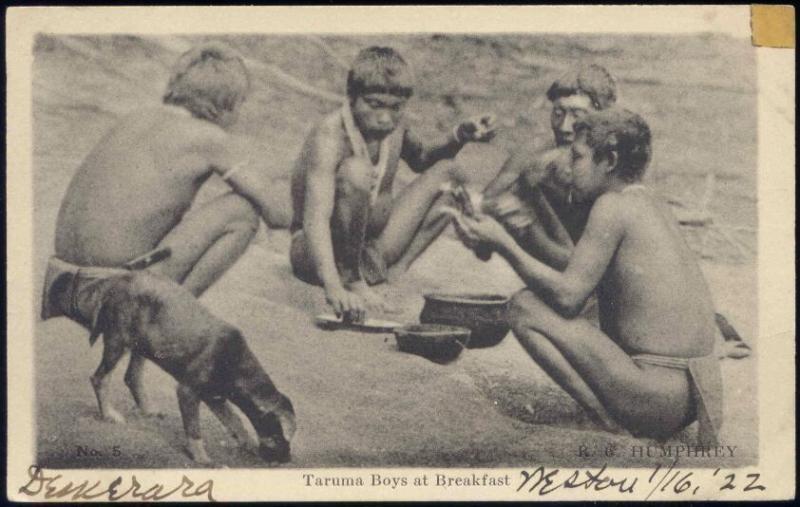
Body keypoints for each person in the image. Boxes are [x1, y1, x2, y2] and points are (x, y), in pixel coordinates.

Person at [41, 43, 289, 414]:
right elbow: (279, 215)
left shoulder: (137, 118)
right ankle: (163, 318)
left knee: (179, 217)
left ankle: (139, 349)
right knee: (241, 212)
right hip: (113, 290)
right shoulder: (211, 139)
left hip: (61, 280)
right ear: (229, 105)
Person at [451, 109, 722, 444]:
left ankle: (608, 425)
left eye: (577, 157)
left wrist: (504, 243)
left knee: (524, 306)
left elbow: (567, 296)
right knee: (574, 307)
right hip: (695, 396)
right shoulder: (648, 201)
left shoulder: (612, 206)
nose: (569, 166)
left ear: (608, 160)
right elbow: (575, 272)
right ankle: (619, 418)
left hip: (657, 398)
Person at [290, 46, 496, 321]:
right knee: (356, 171)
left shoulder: (394, 127)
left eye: (395, 107)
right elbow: (315, 219)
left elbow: (422, 159)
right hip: (316, 255)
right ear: (352, 98)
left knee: (450, 172)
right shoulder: (330, 136)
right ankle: (352, 280)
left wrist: (459, 135)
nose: (385, 117)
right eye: (374, 104)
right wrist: (334, 286)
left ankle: (392, 275)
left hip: (372, 251)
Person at [480, 64, 617, 269]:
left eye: (577, 115)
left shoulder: (607, 164)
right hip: (556, 258)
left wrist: (528, 208)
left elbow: (583, 264)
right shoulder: (537, 150)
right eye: (558, 113)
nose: (564, 126)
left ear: (601, 117)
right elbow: (485, 206)